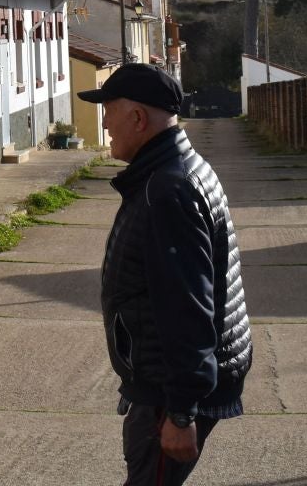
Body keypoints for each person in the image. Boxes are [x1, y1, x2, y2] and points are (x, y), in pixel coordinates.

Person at [78, 64, 250, 486]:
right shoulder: (172, 172)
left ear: (138, 118)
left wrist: (179, 411)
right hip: (165, 384)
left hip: (168, 393)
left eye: (109, 110)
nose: (104, 123)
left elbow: (186, 306)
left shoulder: (168, 189)